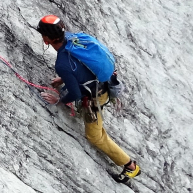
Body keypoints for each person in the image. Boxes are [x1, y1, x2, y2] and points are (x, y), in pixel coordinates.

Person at [35, 15, 142, 183]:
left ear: (47, 39)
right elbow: (81, 65)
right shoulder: (74, 38)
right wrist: (63, 79)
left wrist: (59, 100)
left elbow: (76, 94)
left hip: (96, 97)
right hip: (104, 83)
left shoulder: (62, 63)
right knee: (95, 127)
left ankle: (131, 167)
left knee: (95, 136)